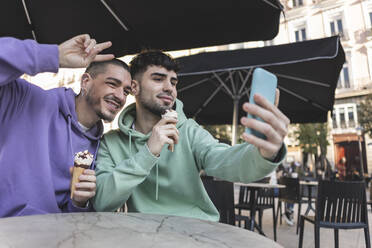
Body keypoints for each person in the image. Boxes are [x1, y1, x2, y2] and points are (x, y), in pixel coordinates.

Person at [93, 50, 290, 221]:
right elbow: (103, 201)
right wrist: (148, 152)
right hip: (146, 236)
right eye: (158, 79)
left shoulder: (189, 130)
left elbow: (225, 160)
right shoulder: (111, 142)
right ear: (134, 87)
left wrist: (265, 154)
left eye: (173, 81)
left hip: (196, 232)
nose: (169, 87)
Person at [0, 34, 132, 217]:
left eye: (126, 91)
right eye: (112, 84)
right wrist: (54, 56)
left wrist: (78, 202)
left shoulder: (100, 148)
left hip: (55, 237)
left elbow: (71, 216)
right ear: (86, 82)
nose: (121, 96)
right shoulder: (27, 100)